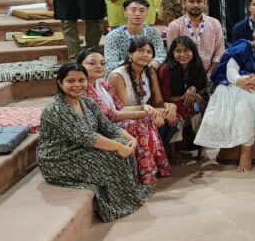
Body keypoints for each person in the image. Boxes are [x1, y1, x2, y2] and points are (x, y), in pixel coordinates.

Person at [39, 63, 152, 222]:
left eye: (81, 80)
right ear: (60, 83)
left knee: (122, 144)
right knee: (112, 155)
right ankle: (117, 205)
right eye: (71, 81)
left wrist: (130, 139)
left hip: (81, 150)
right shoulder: (56, 109)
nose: (77, 85)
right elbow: (86, 137)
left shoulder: (89, 103)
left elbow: (108, 126)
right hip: (59, 159)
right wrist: (118, 147)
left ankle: (129, 194)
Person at [194, 17, 255, 172]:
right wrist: (240, 81)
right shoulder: (243, 47)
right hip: (230, 88)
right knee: (250, 91)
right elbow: (231, 69)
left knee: (250, 96)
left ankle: (246, 152)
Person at [107, 38, 176, 185]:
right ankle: (143, 170)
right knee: (146, 121)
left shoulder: (149, 72)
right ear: (130, 54)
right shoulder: (117, 75)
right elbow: (120, 108)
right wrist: (148, 111)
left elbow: (158, 101)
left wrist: (170, 107)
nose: (145, 54)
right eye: (140, 50)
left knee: (173, 118)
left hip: (144, 112)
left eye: (149, 52)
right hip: (121, 116)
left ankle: (156, 163)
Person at [78, 49, 164, 164]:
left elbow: (120, 107)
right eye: (91, 63)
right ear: (79, 65)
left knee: (146, 118)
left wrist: (145, 108)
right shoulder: (83, 89)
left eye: (102, 63)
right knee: (138, 122)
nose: (98, 66)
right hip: (98, 128)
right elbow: (108, 115)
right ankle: (144, 167)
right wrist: (142, 112)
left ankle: (152, 165)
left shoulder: (102, 84)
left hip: (111, 123)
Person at [157, 36, 208, 161]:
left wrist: (194, 92)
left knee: (199, 111)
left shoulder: (197, 67)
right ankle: (172, 151)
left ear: (192, 52)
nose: (182, 54)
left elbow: (203, 88)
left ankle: (201, 149)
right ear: (172, 53)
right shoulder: (166, 69)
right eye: (178, 51)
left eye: (186, 50)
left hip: (192, 103)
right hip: (170, 103)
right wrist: (186, 96)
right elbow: (166, 96)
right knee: (179, 113)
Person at [165, 0, 225, 74]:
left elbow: (219, 53)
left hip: (211, 72)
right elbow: (173, 54)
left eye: (199, 1)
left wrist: (209, 75)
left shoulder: (214, 23)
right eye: (191, 2)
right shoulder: (175, 26)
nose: (195, 5)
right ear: (184, 3)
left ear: (205, 3)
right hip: (183, 73)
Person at [103, 0, 166, 71]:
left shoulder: (154, 33)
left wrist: (155, 62)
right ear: (125, 13)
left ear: (147, 14)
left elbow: (161, 55)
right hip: (121, 73)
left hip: (148, 70)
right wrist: (136, 65)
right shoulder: (114, 35)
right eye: (133, 10)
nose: (137, 14)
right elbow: (111, 64)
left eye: (142, 11)